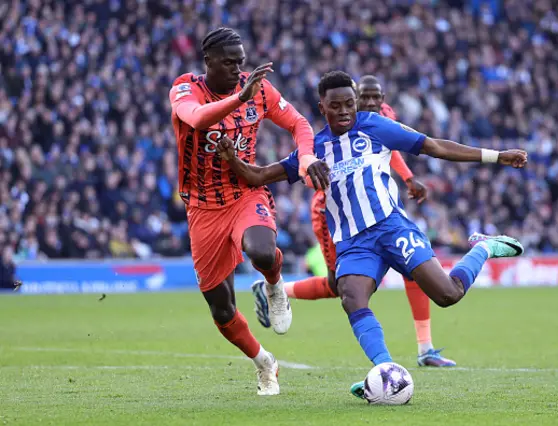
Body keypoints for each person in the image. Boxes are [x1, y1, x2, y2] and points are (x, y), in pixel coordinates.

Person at [219, 70, 528, 399]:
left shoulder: (375, 126)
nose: (344, 111)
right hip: (353, 243)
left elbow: (435, 146)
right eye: (335, 105)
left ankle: (483, 247)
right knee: (350, 296)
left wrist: (497, 156)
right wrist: (230, 157)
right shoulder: (314, 148)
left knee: (448, 295)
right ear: (322, 107)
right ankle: (386, 372)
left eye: (349, 103)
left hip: (392, 228)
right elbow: (259, 176)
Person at [250, 75, 455, 367]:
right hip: (333, 212)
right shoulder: (330, 130)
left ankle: (425, 348)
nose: (370, 103)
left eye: (376, 98)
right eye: (366, 98)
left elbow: (390, 147)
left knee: (415, 268)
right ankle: (277, 289)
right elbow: (303, 165)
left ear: (382, 99)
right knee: (339, 287)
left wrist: (408, 177)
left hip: (381, 209)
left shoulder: (381, 118)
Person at [168, 27, 329, 396]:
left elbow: (299, 123)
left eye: (241, 62)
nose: (238, 69)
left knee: (259, 249)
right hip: (202, 206)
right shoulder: (185, 87)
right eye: (229, 63)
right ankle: (264, 363)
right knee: (222, 311)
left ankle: (274, 287)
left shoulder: (258, 89)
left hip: (244, 191)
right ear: (208, 61)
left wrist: (306, 156)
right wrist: (240, 97)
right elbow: (195, 118)